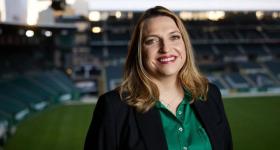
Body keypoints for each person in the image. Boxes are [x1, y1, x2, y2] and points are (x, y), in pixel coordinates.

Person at [84, 6, 232, 150]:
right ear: (139, 51)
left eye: (174, 37)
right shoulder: (114, 107)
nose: (166, 48)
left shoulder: (209, 95)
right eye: (152, 40)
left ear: (185, 44)